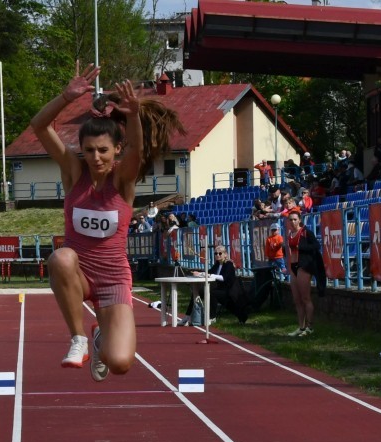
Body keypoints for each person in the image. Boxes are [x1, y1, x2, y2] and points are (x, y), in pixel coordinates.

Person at [30, 61, 182, 382]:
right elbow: (40, 127)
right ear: (81, 150)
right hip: (79, 273)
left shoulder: (123, 181)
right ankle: (79, 338)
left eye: (102, 150)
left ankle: (101, 339)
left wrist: (132, 115)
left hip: (113, 280)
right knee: (60, 257)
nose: (95, 157)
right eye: (88, 150)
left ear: (116, 150)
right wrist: (65, 97)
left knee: (120, 364)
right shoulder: (74, 172)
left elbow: (139, 149)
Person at [180, 246, 248, 326]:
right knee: (198, 291)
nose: (217, 255)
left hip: (228, 291)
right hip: (220, 289)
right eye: (216, 253)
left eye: (220, 253)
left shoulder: (228, 264)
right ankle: (188, 316)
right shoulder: (217, 264)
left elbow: (223, 277)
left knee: (212, 293)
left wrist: (210, 275)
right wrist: (199, 273)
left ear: (225, 254)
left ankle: (212, 317)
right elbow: (209, 272)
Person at [285, 210, 323, 337]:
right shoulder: (290, 234)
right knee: (297, 299)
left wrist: (303, 248)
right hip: (294, 267)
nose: (293, 222)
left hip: (304, 267)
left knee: (305, 298)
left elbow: (316, 245)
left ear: (300, 220)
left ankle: (310, 327)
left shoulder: (306, 232)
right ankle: (301, 327)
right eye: (290, 220)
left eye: (295, 219)